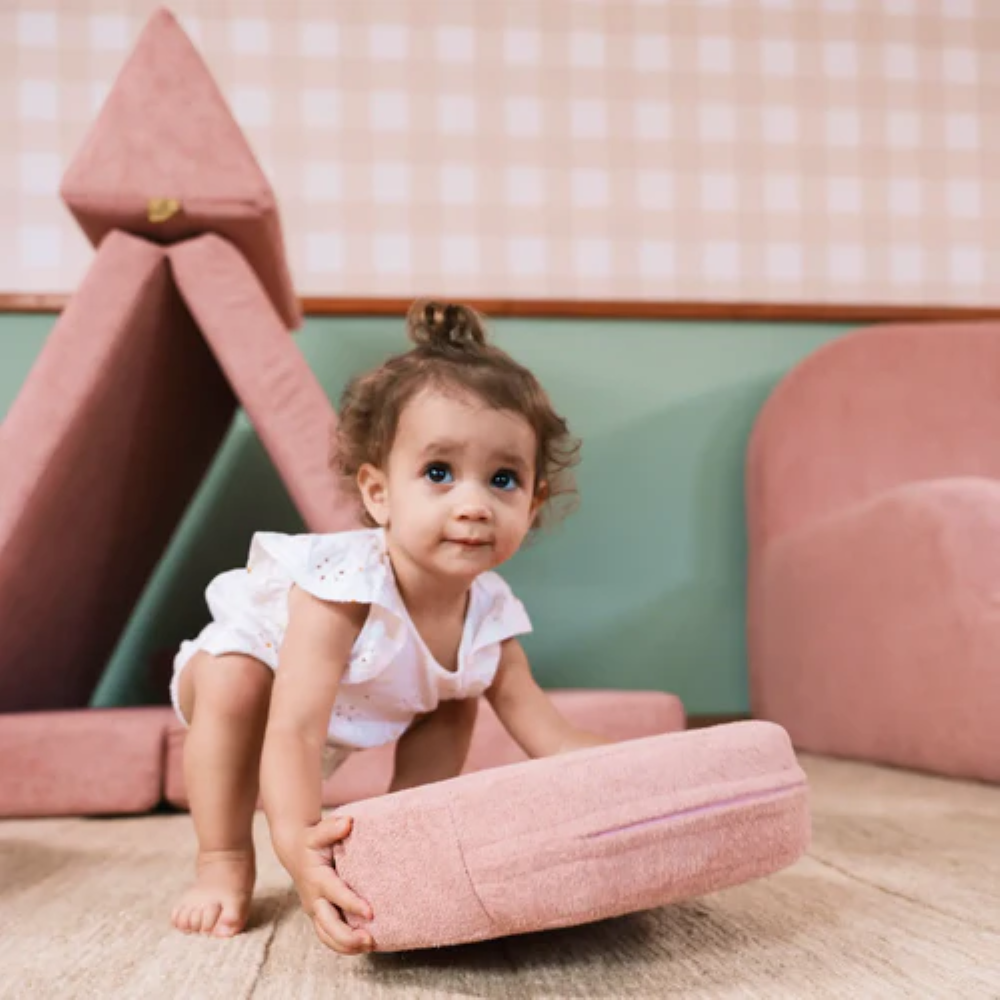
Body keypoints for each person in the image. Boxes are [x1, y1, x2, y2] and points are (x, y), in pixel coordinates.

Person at [169, 300, 608, 953]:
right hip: (265, 685)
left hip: (363, 704)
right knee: (235, 682)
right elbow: (294, 730)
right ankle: (223, 861)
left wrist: (635, 772)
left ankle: (403, 840)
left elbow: (551, 735)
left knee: (458, 696)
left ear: (533, 500)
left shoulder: (488, 616)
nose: (473, 504)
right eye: (439, 473)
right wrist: (298, 843)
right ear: (379, 494)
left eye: (503, 479)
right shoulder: (344, 587)